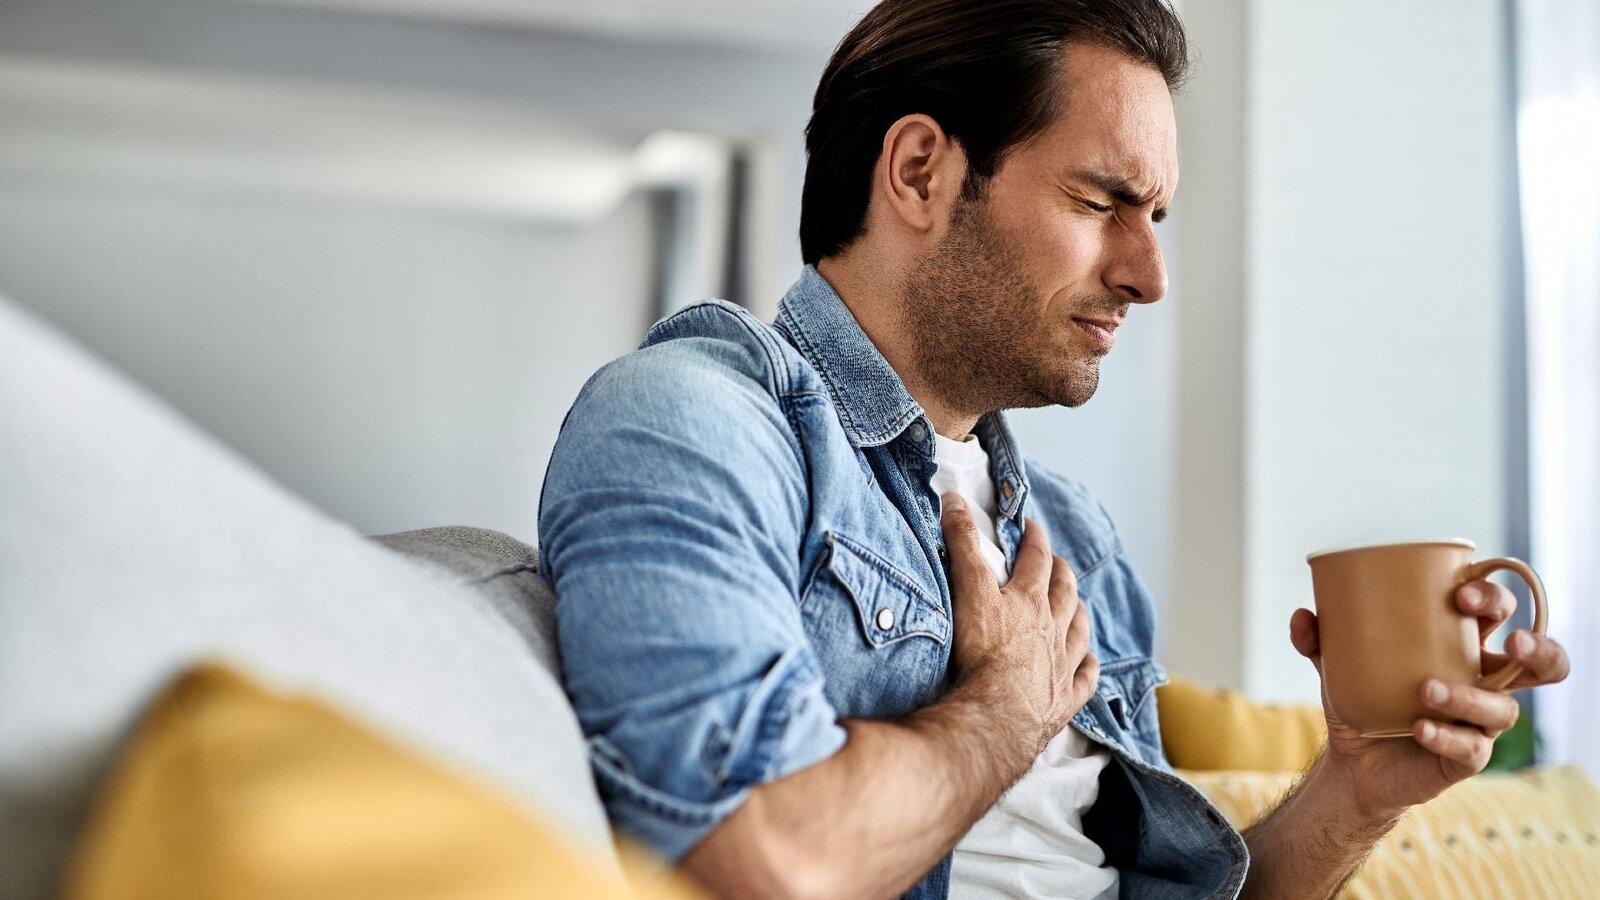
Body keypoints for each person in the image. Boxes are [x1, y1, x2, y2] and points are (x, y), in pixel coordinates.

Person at [536, 1, 1572, 897]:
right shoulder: (698, 422)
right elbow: (753, 857)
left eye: (1155, 215)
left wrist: (1358, 790)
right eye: (1099, 202)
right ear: (919, 172)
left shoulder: (1075, 538)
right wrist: (1002, 714)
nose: (1148, 276)